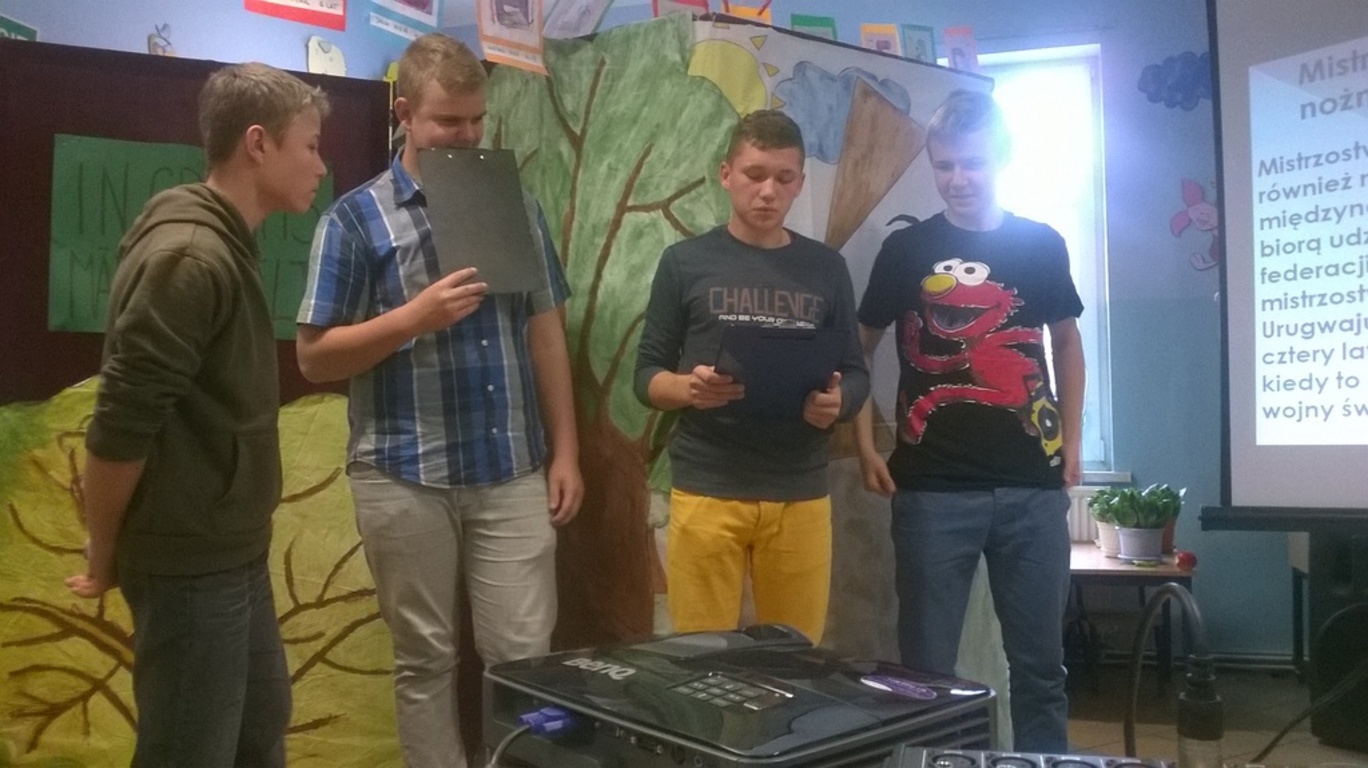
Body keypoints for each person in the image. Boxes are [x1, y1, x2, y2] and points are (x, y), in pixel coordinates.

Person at [295, 33, 582, 768]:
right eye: (448, 121)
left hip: (511, 467)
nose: (467, 135)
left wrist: (567, 451)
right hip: (402, 471)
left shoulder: (515, 205)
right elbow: (314, 358)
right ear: (404, 115)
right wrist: (412, 319)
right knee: (424, 659)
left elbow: (545, 330)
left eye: (477, 119)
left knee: (524, 659)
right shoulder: (353, 220)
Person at [66, 62, 330, 766]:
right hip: (188, 562)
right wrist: (103, 546)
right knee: (190, 748)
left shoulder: (222, 243)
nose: (320, 165)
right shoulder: (189, 259)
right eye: (310, 146)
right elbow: (119, 427)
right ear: (258, 143)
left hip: (231, 550)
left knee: (258, 726)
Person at [854, 88, 1086, 753]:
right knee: (925, 677)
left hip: (1032, 489)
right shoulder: (906, 251)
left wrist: (1072, 438)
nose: (958, 178)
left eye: (973, 163)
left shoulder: (1041, 244)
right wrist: (864, 443)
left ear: (1002, 159)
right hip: (930, 492)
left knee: (1040, 670)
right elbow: (858, 350)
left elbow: (1066, 343)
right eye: (945, 164)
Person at [634, 109, 869, 646]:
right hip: (708, 486)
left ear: (800, 183)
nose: (768, 191)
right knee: (701, 658)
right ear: (726, 174)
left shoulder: (827, 267)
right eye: (754, 174)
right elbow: (645, 376)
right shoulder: (684, 262)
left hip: (799, 488)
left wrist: (839, 403)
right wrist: (689, 388)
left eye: (784, 178)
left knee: (795, 659)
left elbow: (856, 372)